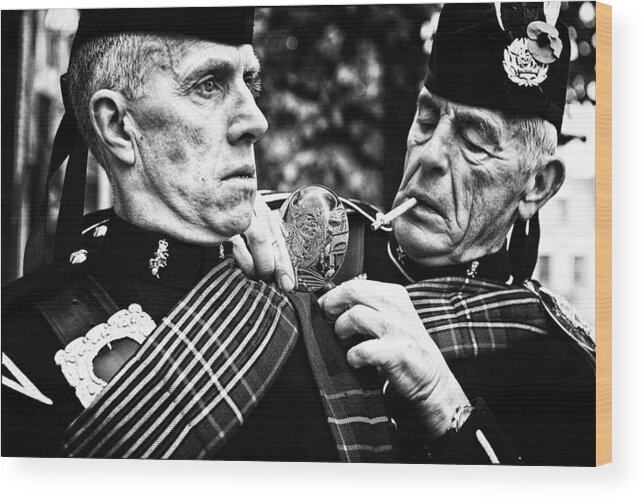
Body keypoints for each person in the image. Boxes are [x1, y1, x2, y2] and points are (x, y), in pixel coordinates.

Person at [1, 7, 396, 462]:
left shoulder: (329, 304)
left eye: (252, 82)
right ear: (117, 126)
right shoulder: (20, 355)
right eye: (209, 84)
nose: (256, 120)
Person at [316, 2, 596, 465]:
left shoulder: (562, 375)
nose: (429, 156)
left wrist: (443, 403)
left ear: (537, 186)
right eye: (426, 121)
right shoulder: (326, 245)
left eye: (474, 140)